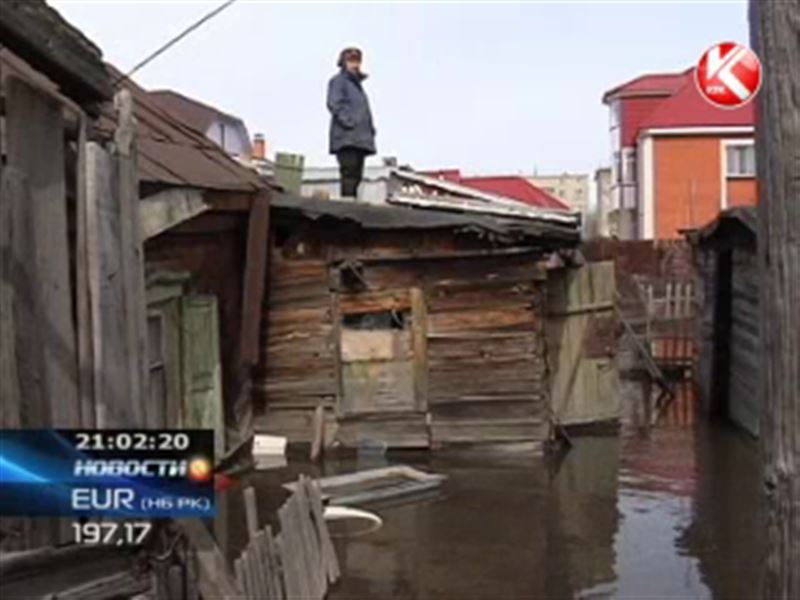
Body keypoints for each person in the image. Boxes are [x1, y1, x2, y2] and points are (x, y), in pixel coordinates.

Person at [327, 47, 376, 198]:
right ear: (343, 63)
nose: (355, 65)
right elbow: (334, 104)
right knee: (349, 173)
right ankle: (347, 206)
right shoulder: (338, 81)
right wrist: (349, 122)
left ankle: (352, 201)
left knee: (356, 176)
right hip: (347, 138)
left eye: (357, 61)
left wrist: (370, 130)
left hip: (360, 138)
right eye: (351, 61)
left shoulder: (357, 86)